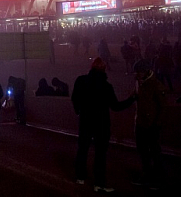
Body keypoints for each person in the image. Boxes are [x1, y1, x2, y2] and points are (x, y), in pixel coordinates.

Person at [71, 57, 135, 192]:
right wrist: (131, 99)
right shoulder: (106, 87)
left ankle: (80, 176)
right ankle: (99, 183)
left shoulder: (81, 81)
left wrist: (79, 111)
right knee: (100, 154)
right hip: (101, 123)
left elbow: (75, 98)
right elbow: (116, 106)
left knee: (83, 149)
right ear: (104, 69)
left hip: (86, 121)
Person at [132, 59, 166, 189]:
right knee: (143, 152)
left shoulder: (155, 85)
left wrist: (157, 123)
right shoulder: (140, 83)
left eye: (138, 72)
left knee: (155, 152)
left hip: (151, 125)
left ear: (145, 72)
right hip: (141, 123)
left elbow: (162, 107)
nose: (136, 75)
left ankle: (159, 178)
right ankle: (148, 175)